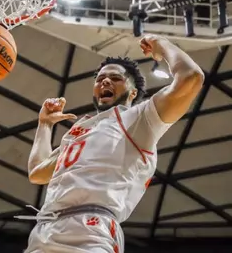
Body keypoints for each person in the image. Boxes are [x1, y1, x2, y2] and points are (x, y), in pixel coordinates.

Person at [22, 34, 204, 253]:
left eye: (115, 78)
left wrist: (162, 45)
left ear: (133, 92)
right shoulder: (79, 129)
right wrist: (44, 125)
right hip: (44, 231)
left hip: (92, 229)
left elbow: (191, 77)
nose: (105, 81)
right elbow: (37, 172)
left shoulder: (138, 119)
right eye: (100, 79)